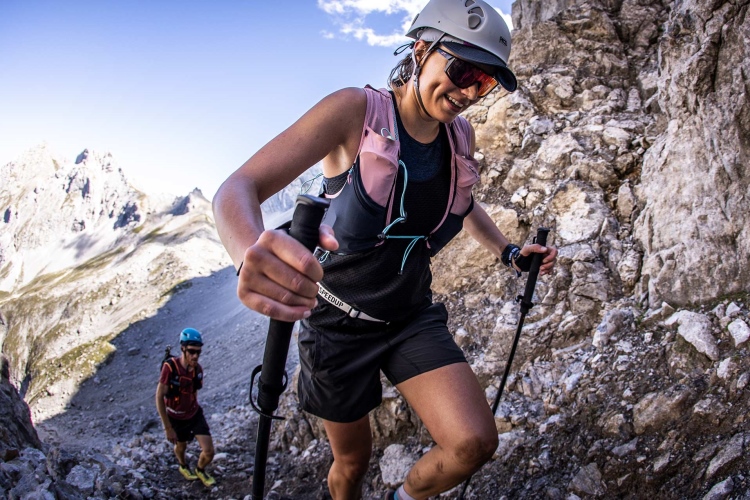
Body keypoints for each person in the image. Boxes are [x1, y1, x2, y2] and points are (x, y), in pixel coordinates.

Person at [213, 0, 557, 498]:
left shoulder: (459, 135)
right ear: (421, 50)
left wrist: (507, 251)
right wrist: (249, 254)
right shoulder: (355, 112)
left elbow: (461, 200)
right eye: (462, 71)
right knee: (352, 463)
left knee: (473, 442)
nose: (467, 92)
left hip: (410, 314)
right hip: (336, 327)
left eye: (483, 83)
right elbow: (237, 188)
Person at [155, 327, 216, 487]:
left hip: (194, 414)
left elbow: (194, 390)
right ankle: (183, 465)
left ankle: (200, 469)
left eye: (198, 352)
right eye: (191, 351)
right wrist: (167, 427)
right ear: (183, 349)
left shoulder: (197, 370)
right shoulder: (170, 368)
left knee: (209, 451)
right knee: (181, 445)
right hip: (175, 417)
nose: (195, 356)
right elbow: (159, 396)